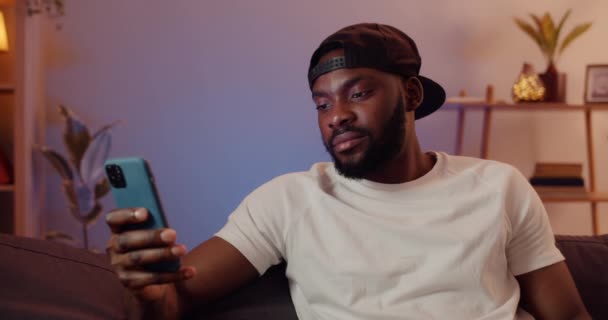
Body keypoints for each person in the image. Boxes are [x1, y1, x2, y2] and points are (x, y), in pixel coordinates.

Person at [105, 23, 590, 319]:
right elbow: (171, 304)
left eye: (358, 93)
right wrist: (145, 286)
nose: (336, 114)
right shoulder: (289, 200)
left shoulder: (498, 186)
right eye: (321, 102)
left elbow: (567, 315)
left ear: (412, 96)